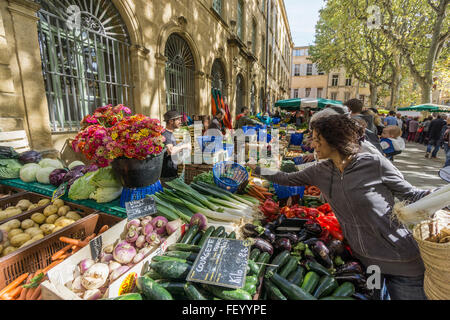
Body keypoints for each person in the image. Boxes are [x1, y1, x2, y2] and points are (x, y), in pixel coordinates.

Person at [251, 114, 431, 300]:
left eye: (317, 139)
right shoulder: (320, 171)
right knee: (376, 297)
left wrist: (442, 197)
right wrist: (256, 169)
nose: (312, 144)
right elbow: (286, 178)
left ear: (334, 140)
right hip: (370, 265)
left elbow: (413, 194)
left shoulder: (374, 164)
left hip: (402, 261)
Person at [161, 110, 191, 181]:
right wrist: (184, 146)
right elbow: (170, 151)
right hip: (167, 176)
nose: (180, 122)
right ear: (171, 121)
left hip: (172, 173)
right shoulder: (165, 135)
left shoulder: (171, 134)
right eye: (178, 120)